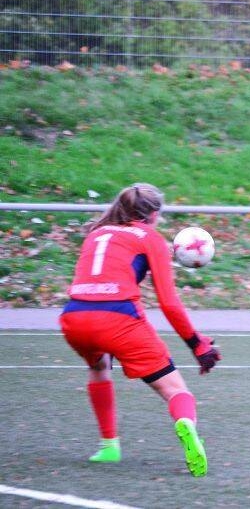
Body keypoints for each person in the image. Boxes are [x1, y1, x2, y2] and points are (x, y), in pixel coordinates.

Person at [59, 183, 221, 476]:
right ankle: (186, 424)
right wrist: (197, 344)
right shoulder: (149, 237)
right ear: (154, 214)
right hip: (117, 319)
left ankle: (109, 446)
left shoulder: (96, 234)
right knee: (176, 391)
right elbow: (169, 303)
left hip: (74, 317)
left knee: (99, 367)